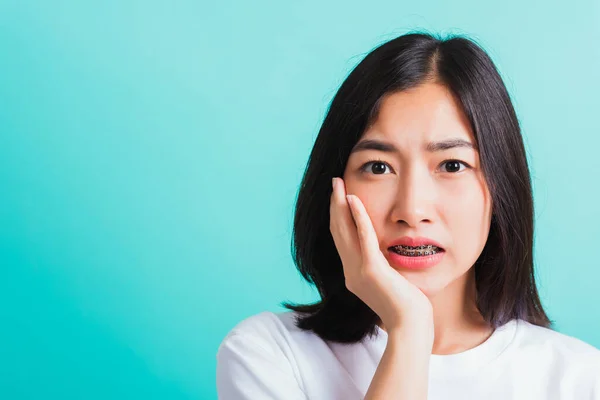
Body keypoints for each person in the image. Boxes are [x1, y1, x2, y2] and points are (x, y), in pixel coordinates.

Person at [215, 31, 600, 399]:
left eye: (452, 165)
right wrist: (410, 329)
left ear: (501, 188)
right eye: (378, 167)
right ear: (334, 190)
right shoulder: (269, 355)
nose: (412, 211)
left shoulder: (580, 379)